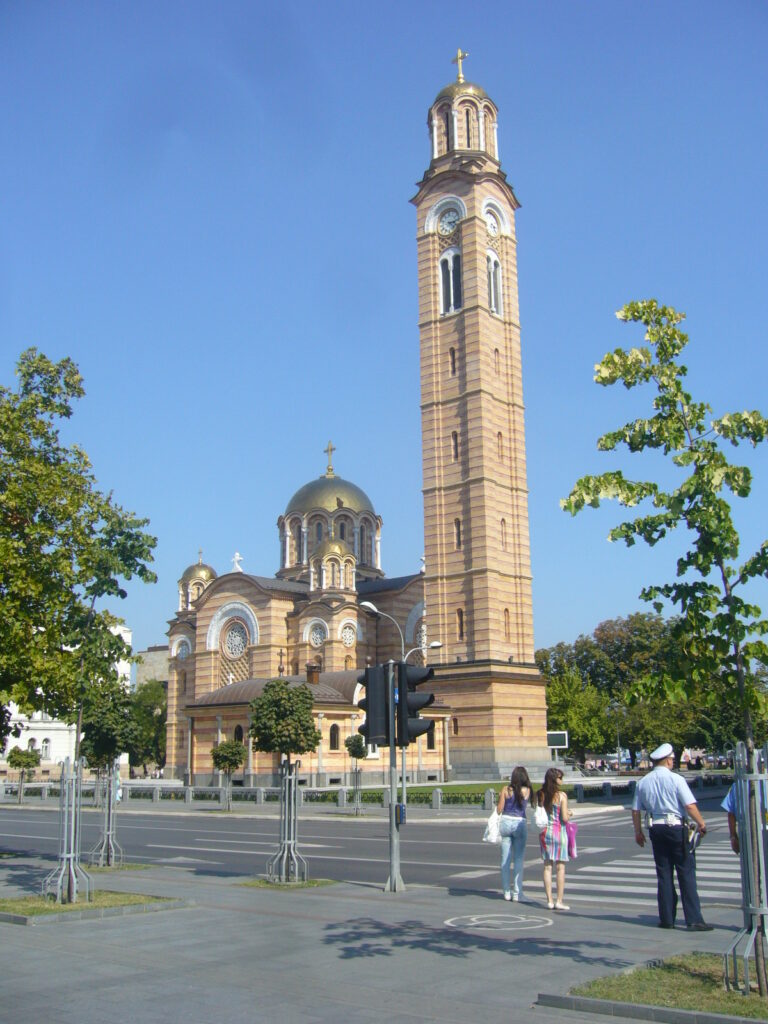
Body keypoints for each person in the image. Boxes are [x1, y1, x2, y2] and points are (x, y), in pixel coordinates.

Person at [632, 742, 713, 931]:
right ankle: (694, 920)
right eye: (672, 760)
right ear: (668, 760)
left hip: (656, 829)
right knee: (686, 872)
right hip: (676, 828)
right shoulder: (676, 779)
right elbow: (689, 806)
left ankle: (667, 919)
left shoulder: (643, 782)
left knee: (664, 873)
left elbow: (635, 810)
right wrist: (701, 823)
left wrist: (638, 832)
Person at [536, 767, 571, 910]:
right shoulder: (562, 796)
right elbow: (564, 818)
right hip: (559, 832)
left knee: (547, 867)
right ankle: (559, 901)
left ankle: (549, 900)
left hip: (545, 833)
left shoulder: (541, 794)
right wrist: (570, 813)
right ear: (554, 779)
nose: (562, 780)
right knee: (560, 868)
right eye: (560, 778)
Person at [497, 766, 531, 902]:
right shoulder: (527, 790)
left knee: (505, 859)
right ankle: (517, 893)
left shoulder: (506, 789)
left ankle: (506, 892)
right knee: (518, 859)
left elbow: (499, 809)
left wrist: (500, 799)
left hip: (505, 822)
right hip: (520, 823)